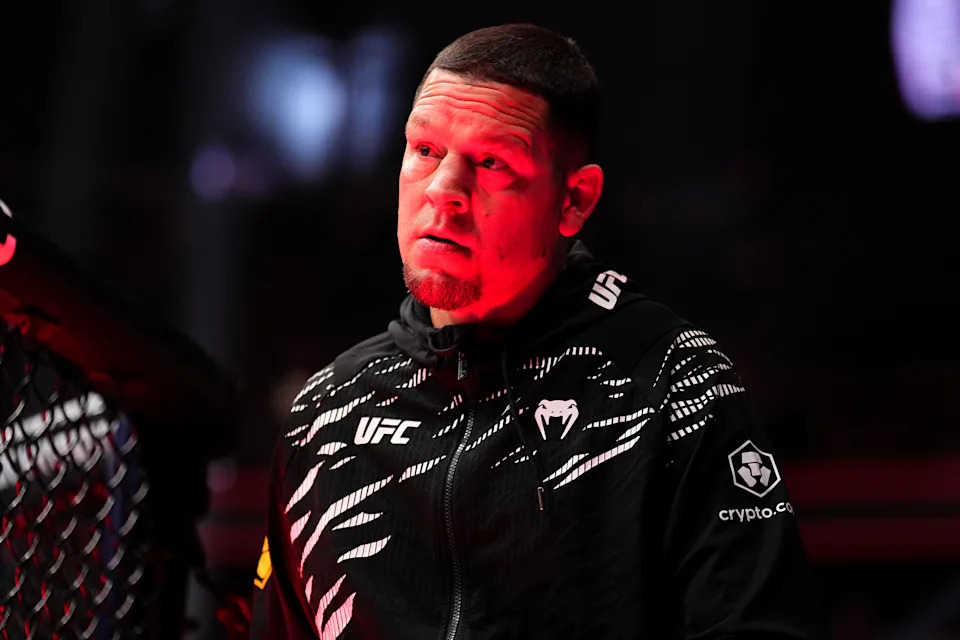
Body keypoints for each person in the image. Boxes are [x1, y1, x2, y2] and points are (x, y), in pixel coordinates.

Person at [250, 23, 822, 639]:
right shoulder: (327, 414)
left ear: (574, 200)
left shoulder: (675, 387)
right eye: (426, 150)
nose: (443, 191)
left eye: (492, 163)